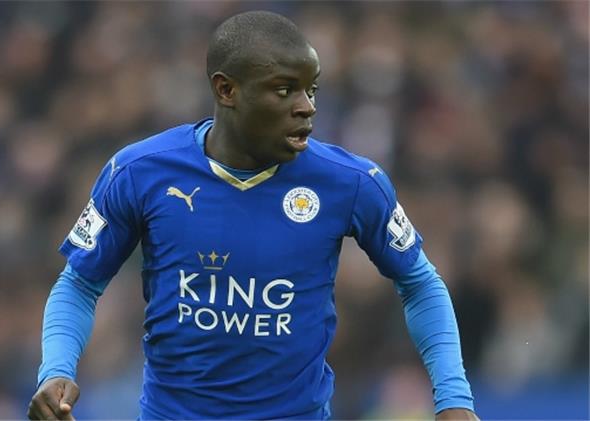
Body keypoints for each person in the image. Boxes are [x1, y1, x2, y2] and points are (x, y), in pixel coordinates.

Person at [28, 10, 478, 420]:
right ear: (226, 90)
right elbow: (79, 283)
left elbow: (420, 283)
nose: (307, 106)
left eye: (311, 89)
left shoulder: (352, 182)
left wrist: (454, 398)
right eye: (285, 90)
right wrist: (56, 370)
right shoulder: (140, 171)